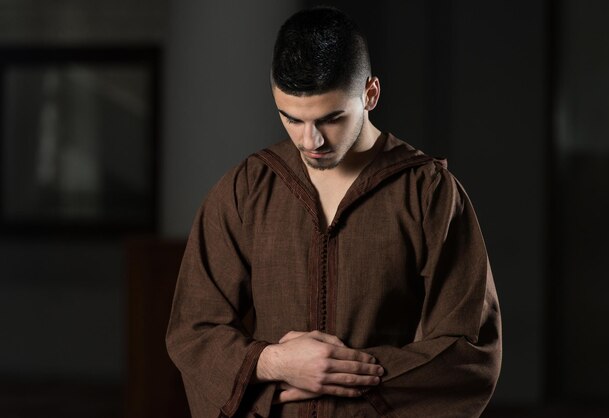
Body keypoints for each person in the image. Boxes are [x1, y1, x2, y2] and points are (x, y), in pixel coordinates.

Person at [166, 6, 501, 418]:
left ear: (370, 94)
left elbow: (468, 349)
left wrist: (337, 381)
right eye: (291, 118)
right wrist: (273, 363)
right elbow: (193, 330)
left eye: (331, 119)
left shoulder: (429, 192)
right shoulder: (246, 187)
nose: (310, 140)